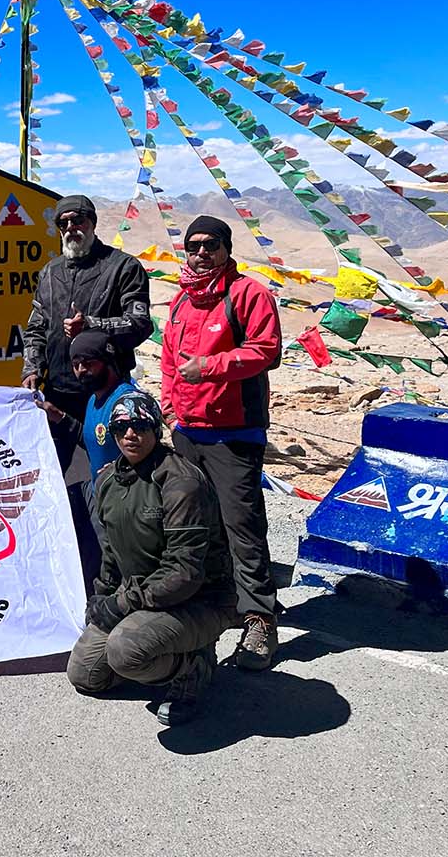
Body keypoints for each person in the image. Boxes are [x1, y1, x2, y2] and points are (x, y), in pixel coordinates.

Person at [66, 391, 238, 726]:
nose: (130, 434)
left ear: (156, 428)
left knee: (125, 651)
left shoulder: (180, 482)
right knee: (86, 674)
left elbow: (184, 572)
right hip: (145, 598)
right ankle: (159, 655)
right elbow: (112, 555)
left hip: (199, 601)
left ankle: (192, 665)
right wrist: (102, 599)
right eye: (121, 427)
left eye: (141, 425)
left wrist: (122, 604)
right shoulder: (109, 482)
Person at [160, 215, 283, 671]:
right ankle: (219, 604)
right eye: (193, 245)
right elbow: (171, 361)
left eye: (210, 244)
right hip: (187, 431)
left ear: (227, 248)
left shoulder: (249, 293)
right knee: (198, 524)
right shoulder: (181, 300)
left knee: (242, 526)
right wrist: (170, 407)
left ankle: (260, 620)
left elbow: (266, 350)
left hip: (234, 432)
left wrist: (210, 367)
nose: (201, 252)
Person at [22, 194, 151, 466]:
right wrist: (32, 367)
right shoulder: (49, 272)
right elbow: (36, 326)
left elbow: (140, 324)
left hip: (106, 392)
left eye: (78, 220)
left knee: (110, 470)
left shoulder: (122, 267)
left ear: (92, 222)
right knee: (55, 472)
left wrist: (93, 325)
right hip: (58, 391)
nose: (71, 228)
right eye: (63, 223)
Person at [42, 330, 138, 584]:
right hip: (100, 493)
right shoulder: (94, 400)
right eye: (76, 365)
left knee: (116, 567)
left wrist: (122, 469)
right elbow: (95, 441)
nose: (82, 370)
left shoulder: (126, 402)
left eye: (88, 363)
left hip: (125, 503)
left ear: (107, 362)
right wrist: (60, 418)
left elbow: (148, 452)